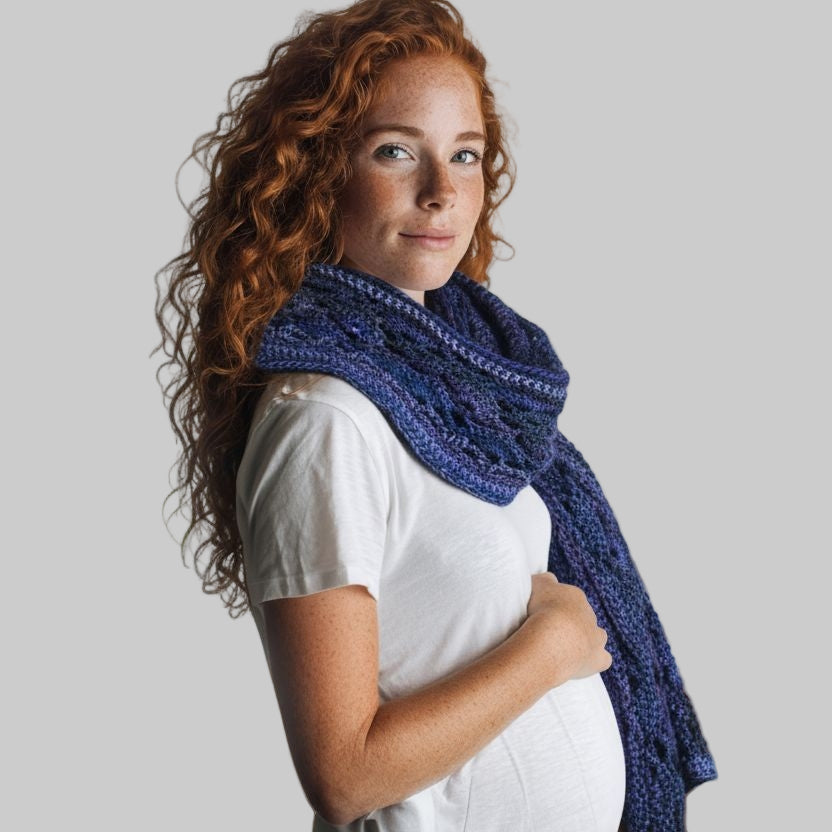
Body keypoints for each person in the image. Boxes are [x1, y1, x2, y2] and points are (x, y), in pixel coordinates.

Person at [154, 1, 716, 829]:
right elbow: (343, 774)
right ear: (316, 174)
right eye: (395, 152)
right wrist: (549, 650)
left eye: (465, 155)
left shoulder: (467, 396)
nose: (441, 191)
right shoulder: (325, 420)